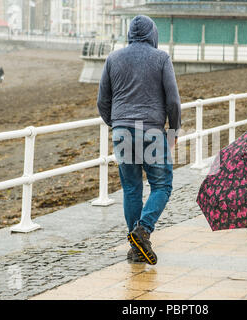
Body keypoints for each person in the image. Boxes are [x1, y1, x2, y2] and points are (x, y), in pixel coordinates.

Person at [97, 15, 181, 265]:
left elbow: (103, 101)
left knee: (132, 188)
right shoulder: (161, 58)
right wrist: (173, 131)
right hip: (152, 131)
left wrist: (117, 125)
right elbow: (173, 101)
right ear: (153, 34)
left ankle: (135, 249)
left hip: (123, 130)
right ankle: (142, 230)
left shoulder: (113, 58)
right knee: (162, 185)